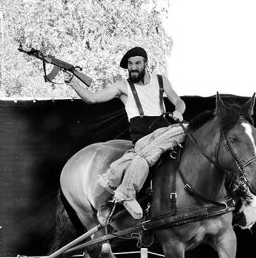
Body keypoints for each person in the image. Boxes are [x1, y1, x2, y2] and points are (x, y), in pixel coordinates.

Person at [66, 46, 186, 221]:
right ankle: (126, 194)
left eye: (137, 63)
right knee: (145, 157)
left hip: (164, 131)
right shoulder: (123, 86)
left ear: (146, 63)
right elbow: (93, 98)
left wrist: (179, 111)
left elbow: (178, 101)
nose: (133, 67)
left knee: (191, 134)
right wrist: (73, 83)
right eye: (130, 64)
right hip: (143, 136)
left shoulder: (161, 81)